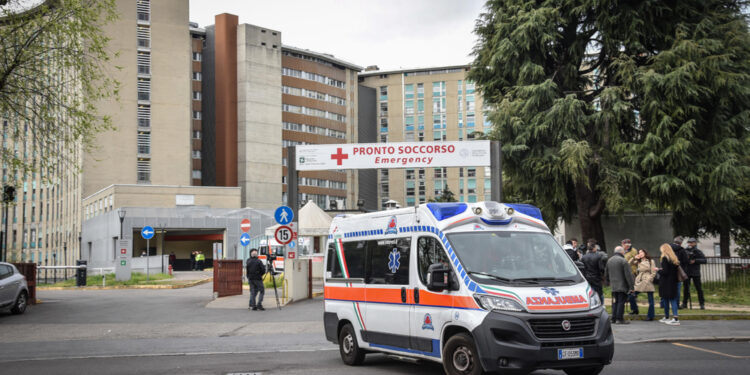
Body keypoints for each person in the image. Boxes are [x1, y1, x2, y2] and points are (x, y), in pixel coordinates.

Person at [605, 246, 635, 324]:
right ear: (622, 252)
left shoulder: (609, 260)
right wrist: (631, 287)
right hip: (622, 285)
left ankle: (613, 318)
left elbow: (606, 273)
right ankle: (619, 318)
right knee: (621, 302)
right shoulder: (623, 261)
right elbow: (628, 275)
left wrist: (608, 282)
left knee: (615, 302)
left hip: (613, 285)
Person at [657, 243, 681, 325]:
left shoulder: (664, 258)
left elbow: (665, 271)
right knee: (672, 299)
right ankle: (673, 317)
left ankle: (672, 318)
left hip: (666, 282)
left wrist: (658, 270)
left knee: (666, 299)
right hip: (673, 281)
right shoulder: (674, 258)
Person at [631, 249, 657, 321]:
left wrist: (650, 279)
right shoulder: (638, 261)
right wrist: (634, 258)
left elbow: (653, 272)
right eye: (639, 252)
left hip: (647, 280)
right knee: (631, 295)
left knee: (651, 300)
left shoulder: (651, 261)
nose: (640, 253)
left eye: (642, 252)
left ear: (645, 253)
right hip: (640, 280)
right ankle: (635, 310)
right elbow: (629, 263)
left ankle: (650, 316)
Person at [682, 238, 707, 309]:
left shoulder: (698, 251)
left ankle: (702, 304)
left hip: (695, 272)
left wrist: (695, 261)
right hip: (687, 271)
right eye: (689, 242)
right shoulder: (685, 251)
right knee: (686, 288)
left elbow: (704, 260)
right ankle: (684, 303)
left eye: (692, 242)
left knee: (699, 288)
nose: (690, 244)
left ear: (695, 243)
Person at [581, 239, 606, 305]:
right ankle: (600, 304)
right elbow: (601, 268)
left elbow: (582, 268)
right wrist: (603, 276)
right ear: (594, 248)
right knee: (599, 292)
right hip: (596, 277)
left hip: (587, 277)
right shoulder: (598, 256)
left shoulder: (584, 257)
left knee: (589, 292)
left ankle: (590, 304)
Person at [670, 236, 689, 307]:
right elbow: (686, 261)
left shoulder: (668, 248)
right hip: (678, 271)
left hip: (669, 270)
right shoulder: (681, 250)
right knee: (677, 288)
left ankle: (664, 303)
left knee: (668, 287)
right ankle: (676, 304)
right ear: (680, 243)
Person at [622, 239, 639, 315]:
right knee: (628, 291)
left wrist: (632, 262)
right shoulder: (623, 251)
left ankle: (634, 309)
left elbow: (637, 261)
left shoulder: (633, 251)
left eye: (624, 244)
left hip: (632, 272)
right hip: (624, 272)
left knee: (631, 291)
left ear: (627, 245)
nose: (623, 246)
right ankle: (632, 307)